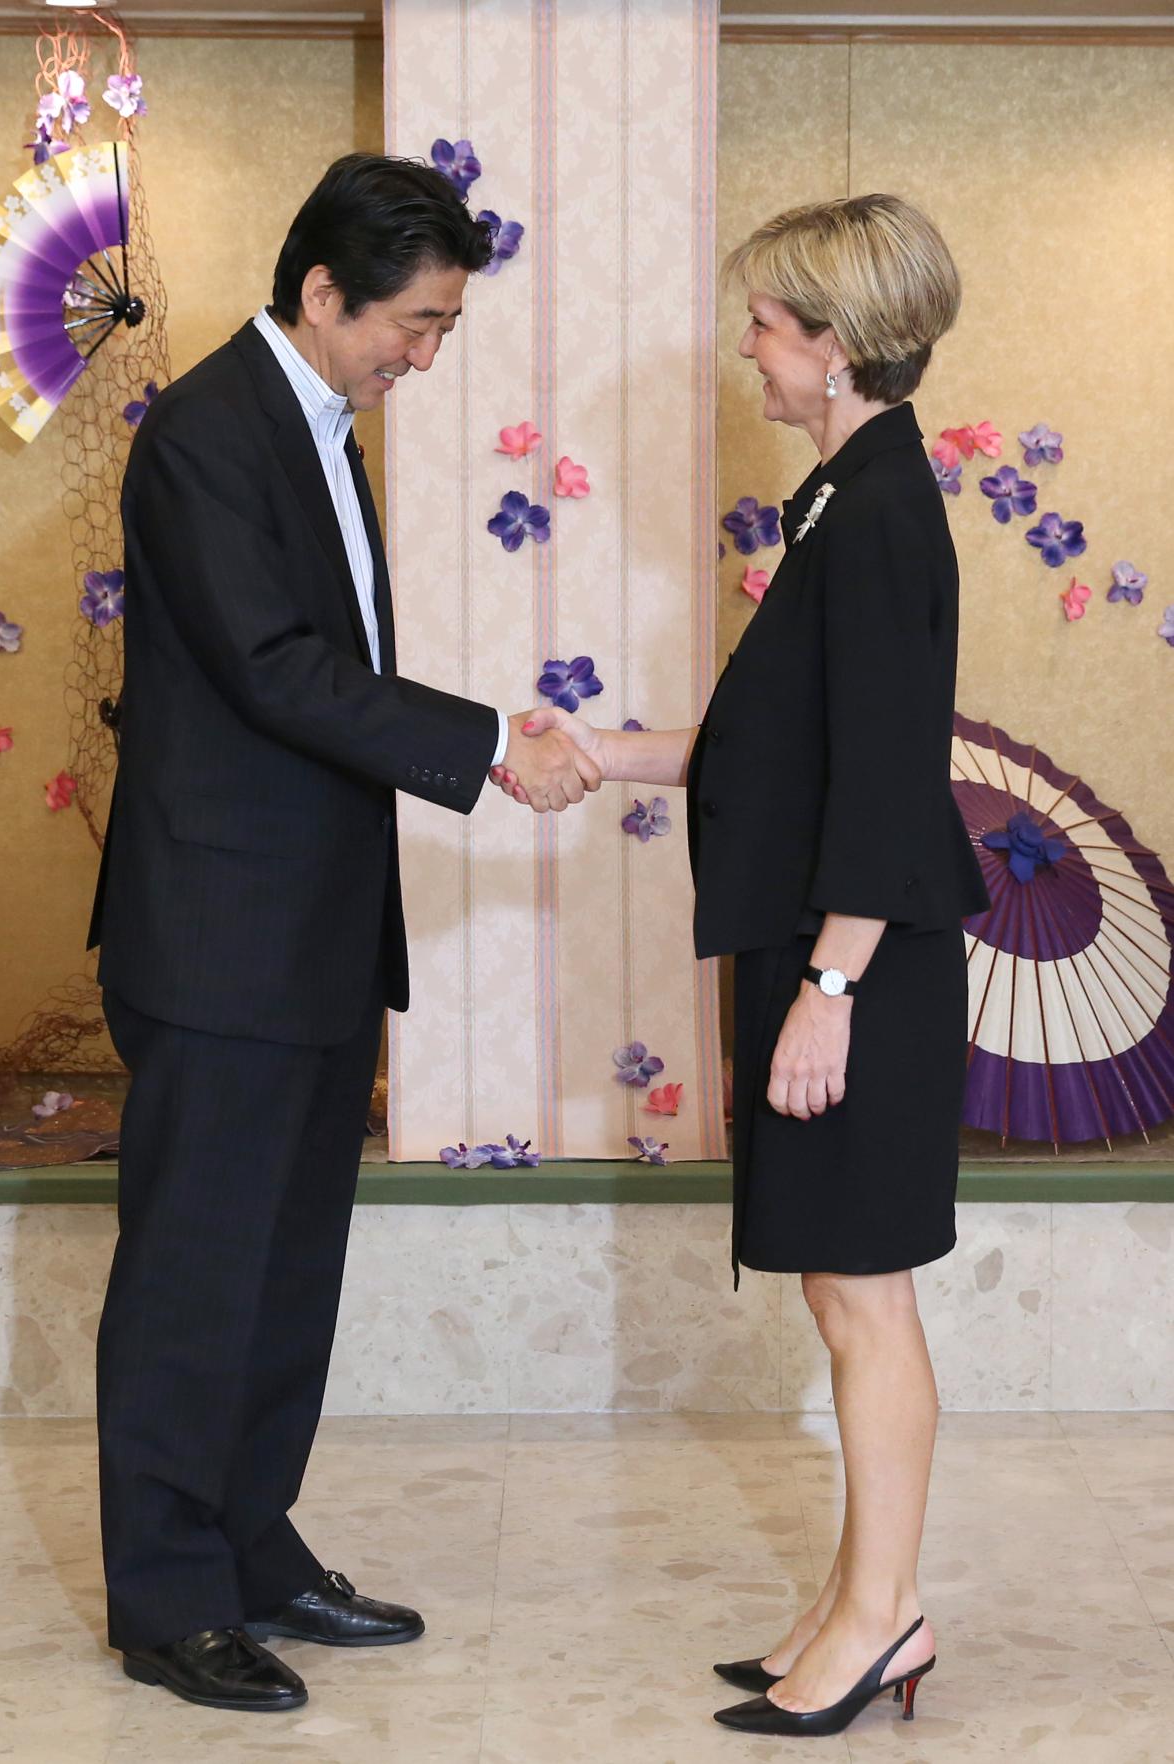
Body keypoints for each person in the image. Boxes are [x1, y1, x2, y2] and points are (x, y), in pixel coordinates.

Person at [88, 152, 599, 1715]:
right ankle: (167, 1598)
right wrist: (487, 739)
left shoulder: (310, 423)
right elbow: (271, 668)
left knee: (285, 1269)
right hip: (218, 936)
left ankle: (252, 1547)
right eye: (418, 325)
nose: (427, 356)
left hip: (303, 929)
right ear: (325, 292)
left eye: (444, 328)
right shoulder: (205, 433)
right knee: (194, 1279)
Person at [496, 193, 989, 1739]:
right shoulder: (844, 498)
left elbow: (898, 777)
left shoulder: (884, 508)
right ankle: (854, 1606)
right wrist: (603, 749)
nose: (751, 355)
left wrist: (829, 988)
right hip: (830, 952)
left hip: (862, 969)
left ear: (835, 348)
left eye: (768, 328)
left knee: (863, 1301)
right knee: (848, 1296)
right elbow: (782, 748)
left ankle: (887, 1618)